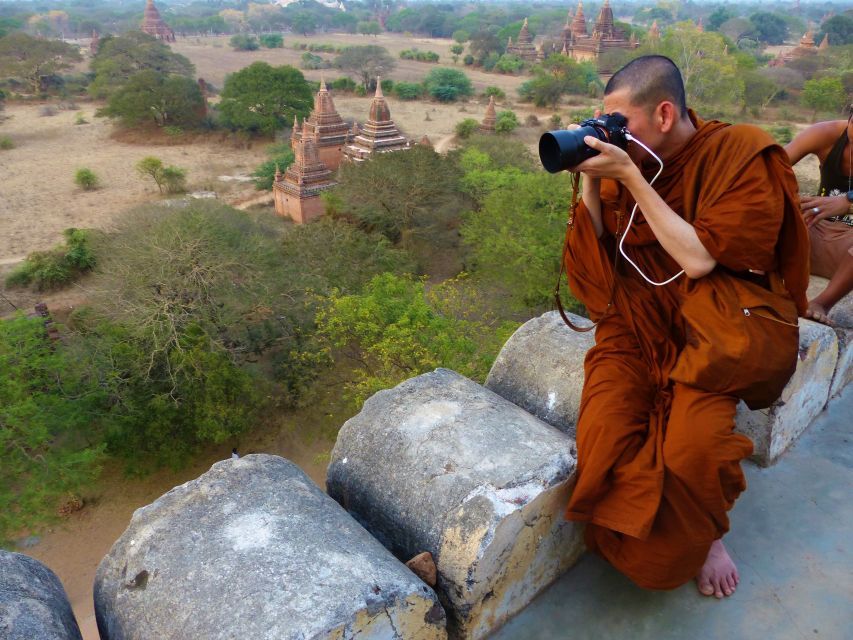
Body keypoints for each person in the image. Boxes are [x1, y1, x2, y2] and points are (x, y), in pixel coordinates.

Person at [560, 56, 810, 598]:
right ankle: (634, 528)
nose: (611, 135)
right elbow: (597, 261)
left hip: (713, 326)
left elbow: (699, 260)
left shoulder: (739, 154)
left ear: (665, 113)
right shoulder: (633, 160)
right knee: (602, 432)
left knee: (691, 451)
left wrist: (629, 175)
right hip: (637, 324)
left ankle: (709, 536)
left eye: (620, 123)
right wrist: (588, 182)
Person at [784, 110, 853, 324]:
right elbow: (768, 168)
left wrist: (847, 202)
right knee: (770, 209)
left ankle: (821, 302)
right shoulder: (825, 134)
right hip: (813, 231)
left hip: (847, 252)